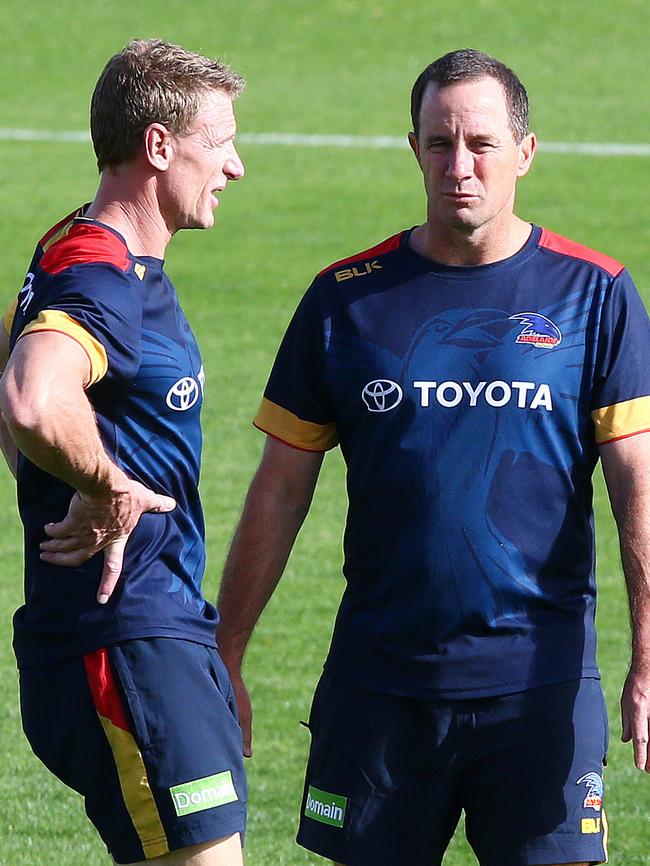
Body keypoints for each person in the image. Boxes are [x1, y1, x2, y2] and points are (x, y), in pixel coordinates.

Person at [216, 48, 650, 866]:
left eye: (481, 144)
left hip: (541, 691)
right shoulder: (345, 297)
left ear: (524, 151)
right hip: (380, 692)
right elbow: (278, 492)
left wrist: (647, 663)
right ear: (413, 147)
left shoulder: (596, 293)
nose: (460, 167)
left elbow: (640, 490)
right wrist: (227, 653)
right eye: (440, 143)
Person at [0, 40, 247, 866]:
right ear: (159, 146)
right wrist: (105, 486)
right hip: (125, 642)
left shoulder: (80, 248)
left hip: (149, 633)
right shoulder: (100, 267)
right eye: (219, 143)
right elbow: (33, 396)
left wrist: (56, 473)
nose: (235, 166)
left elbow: (14, 345)